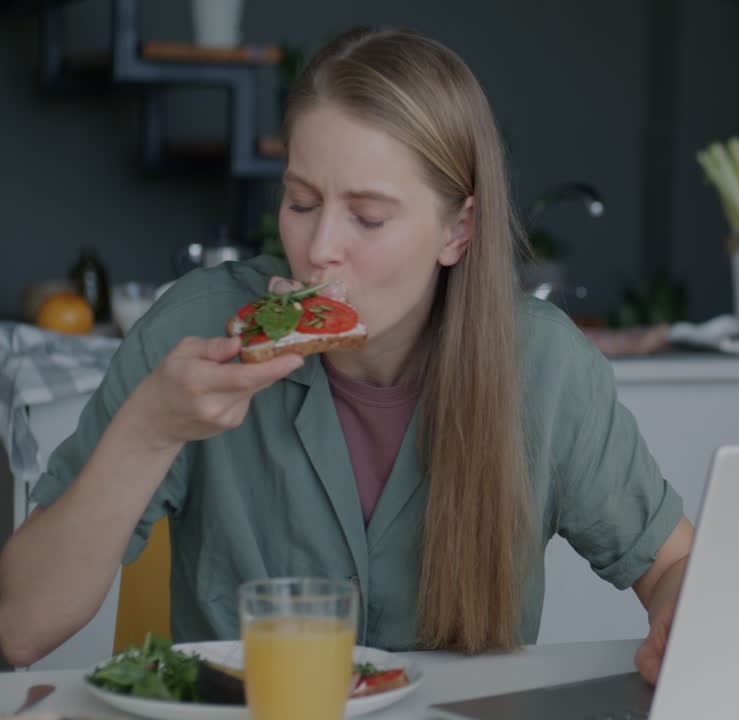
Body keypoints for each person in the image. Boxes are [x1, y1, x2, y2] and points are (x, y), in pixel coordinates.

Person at [0, 27, 692, 684]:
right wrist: (150, 430)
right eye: (301, 203)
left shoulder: (546, 365)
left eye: (367, 217)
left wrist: (677, 612)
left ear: (459, 230)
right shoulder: (195, 328)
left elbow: (673, 567)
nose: (320, 247)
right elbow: (20, 627)